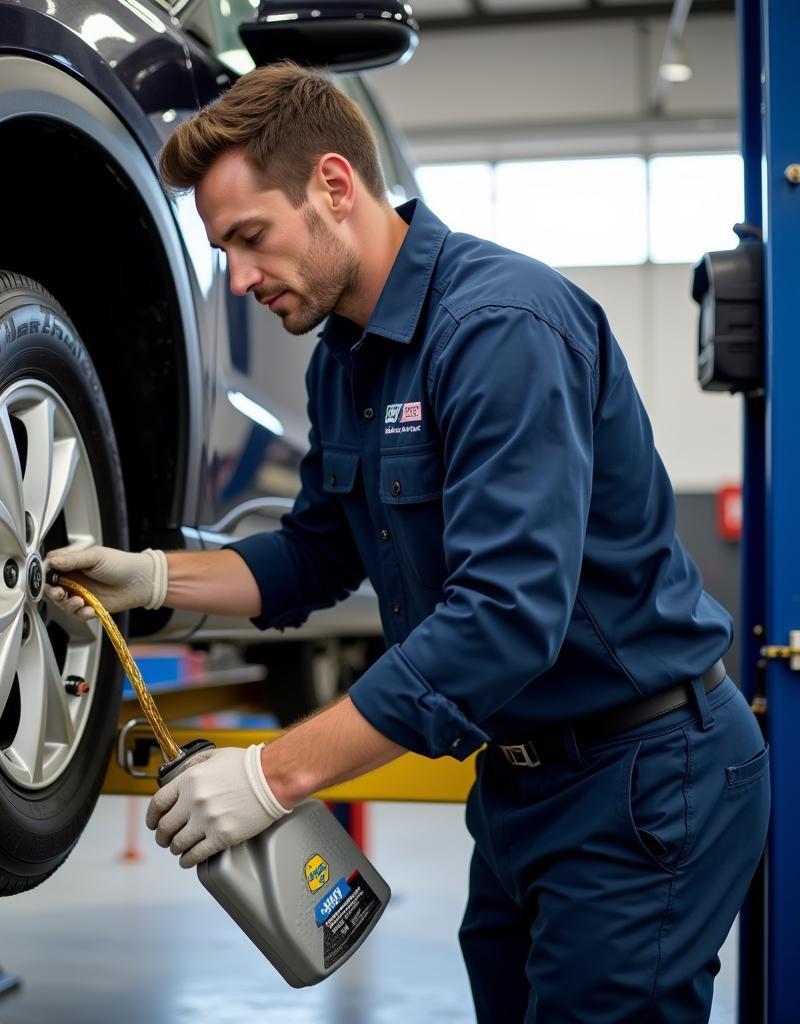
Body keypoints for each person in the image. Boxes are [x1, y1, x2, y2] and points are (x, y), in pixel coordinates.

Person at [46, 62, 769, 1021]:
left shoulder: (500, 329)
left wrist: (273, 773)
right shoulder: (344, 362)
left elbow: (505, 621)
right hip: (519, 787)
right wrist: (147, 579)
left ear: (334, 186)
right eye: (223, 250)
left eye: (251, 238)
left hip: (644, 777)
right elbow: (311, 554)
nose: (242, 278)